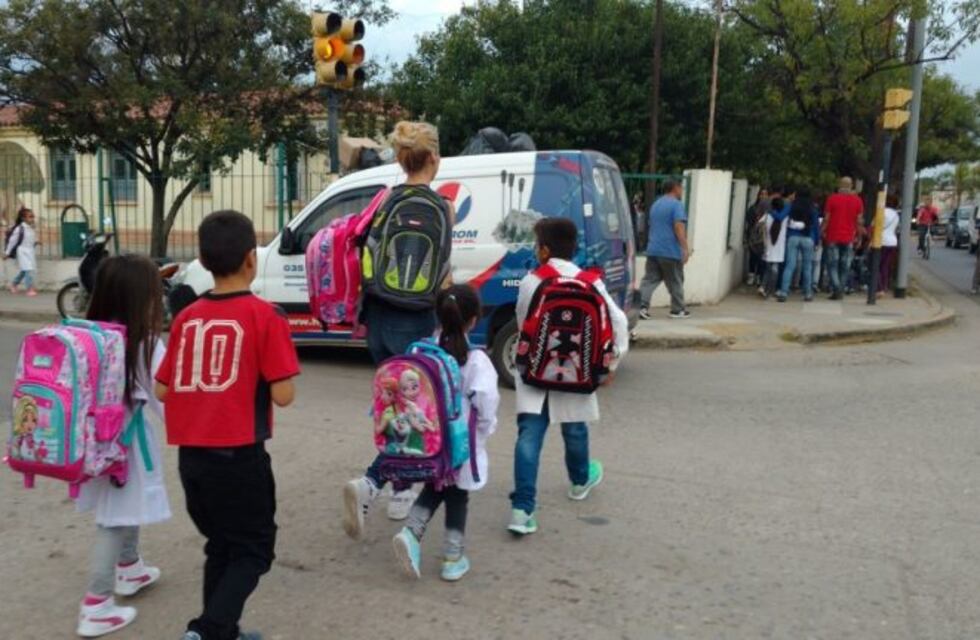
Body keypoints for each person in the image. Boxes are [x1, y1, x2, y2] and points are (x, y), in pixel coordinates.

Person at [155, 210, 300, 640]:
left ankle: (221, 630)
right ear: (252, 259)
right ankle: (208, 630)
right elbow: (283, 395)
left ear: (201, 259)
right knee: (254, 550)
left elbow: (163, 390)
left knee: (220, 545)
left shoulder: (186, 318)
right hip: (239, 459)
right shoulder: (264, 317)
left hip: (192, 462)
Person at [343, 121, 454, 538]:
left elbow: (363, 256)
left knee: (393, 404)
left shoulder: (384, 201)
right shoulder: (442, 207)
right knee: (417, 407)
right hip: (418, 318)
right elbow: (442, 271)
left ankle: (394, 489)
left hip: (378, 317)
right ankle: (377, 484)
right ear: (431, 159)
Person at [507, 218, 629, 536]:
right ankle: (579, 481)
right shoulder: (591, 281)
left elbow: (524, 323)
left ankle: (522, 510)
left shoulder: (533, 281)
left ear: (545, 250)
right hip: (576, 371)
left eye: (537, 246)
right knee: (575, 429)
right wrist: (612, 363)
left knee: (529, 437)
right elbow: (617, 321)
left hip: (536, 371)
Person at [75, 255, 171, 638]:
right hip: (124, 446)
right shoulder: (144, 343)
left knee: (123, 507)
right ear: (139, 298)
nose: (158, 301)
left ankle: (129, 566)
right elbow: (167, 398)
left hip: (93, 441)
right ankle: (96, 605)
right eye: (154, 293)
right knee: (113, 520)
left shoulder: (87, 333)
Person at [391, 285, 500, 582]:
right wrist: (484, 431)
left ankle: (411, 532)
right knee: (456, 496)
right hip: (459, 444)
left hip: (427, 440)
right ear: (474, 320)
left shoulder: (422, 351)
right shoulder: (476, 361)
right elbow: (486, 406)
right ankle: (453, 557)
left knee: (436, 488)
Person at [638, 180, 690, 319]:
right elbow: (678, 226)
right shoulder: (676, 205)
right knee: (675, 279)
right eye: (681, 188)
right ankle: (678, 309)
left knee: (650, 279)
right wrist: (685, 248)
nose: (682, 191)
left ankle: (641, 307)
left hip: (653, 248)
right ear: (675, 188)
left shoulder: (656, 204)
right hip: (670, 250)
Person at [822, 177, 865, 300]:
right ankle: (840, 288)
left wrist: (822, 231)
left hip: (833, 236)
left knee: (832, 264)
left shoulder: (832, 199)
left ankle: (836, 288)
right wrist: (859, 237)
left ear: (839, 185)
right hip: (849, 237)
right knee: (845, 265)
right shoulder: (857, 201)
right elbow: (859, 221)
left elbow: (827, 218)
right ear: (851, 186)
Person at [777, 189, 819, 302]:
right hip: (808, 238)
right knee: (807, 267)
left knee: (790, 265)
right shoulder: (813, 208)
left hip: (793, 237)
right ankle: (808, 293)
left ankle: (783, 292)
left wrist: (771, 212)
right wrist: (817, 241)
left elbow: (780, 217)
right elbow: (815, 226)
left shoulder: (791, 205)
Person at [760, 194, 790, 299]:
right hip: (779, 247)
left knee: (768, 269)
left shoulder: (767, 215)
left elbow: (759, 227)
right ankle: (770, 291)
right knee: (775, 269)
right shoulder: (785, 218)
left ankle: (763, 287)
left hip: (767, 245)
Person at [5, 207, 39, 296]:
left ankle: (14, 284)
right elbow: (12, 241)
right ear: (23, 218)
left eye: (33, 216)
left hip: (30, 251)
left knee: (25, 270)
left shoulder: (31, 228)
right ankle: (29, 289)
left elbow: (31, 238)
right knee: (28, 269)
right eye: (30, 216)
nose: (32, 218)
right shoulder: (20, 228)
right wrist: (7, 253)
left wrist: (36, 242)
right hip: (22, 251)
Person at [876, 194, 901, 296]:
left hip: (881, 241)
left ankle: (879, 287)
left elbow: (875, 225)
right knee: (885, 266)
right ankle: (885, 286)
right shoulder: (896, 215)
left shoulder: (882, 212)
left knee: (876, 265)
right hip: (892, 242)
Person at [744, 188, 770, 286]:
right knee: (753, 256)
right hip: (754, 236)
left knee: (761, 258)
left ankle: (759, 276)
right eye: (761, 194)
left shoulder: (769, 209)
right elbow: (749, 222)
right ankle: (751, 275)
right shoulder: (753, 208)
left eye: (765, 194)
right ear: (758, 196)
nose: (763, 196)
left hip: (764, 237)